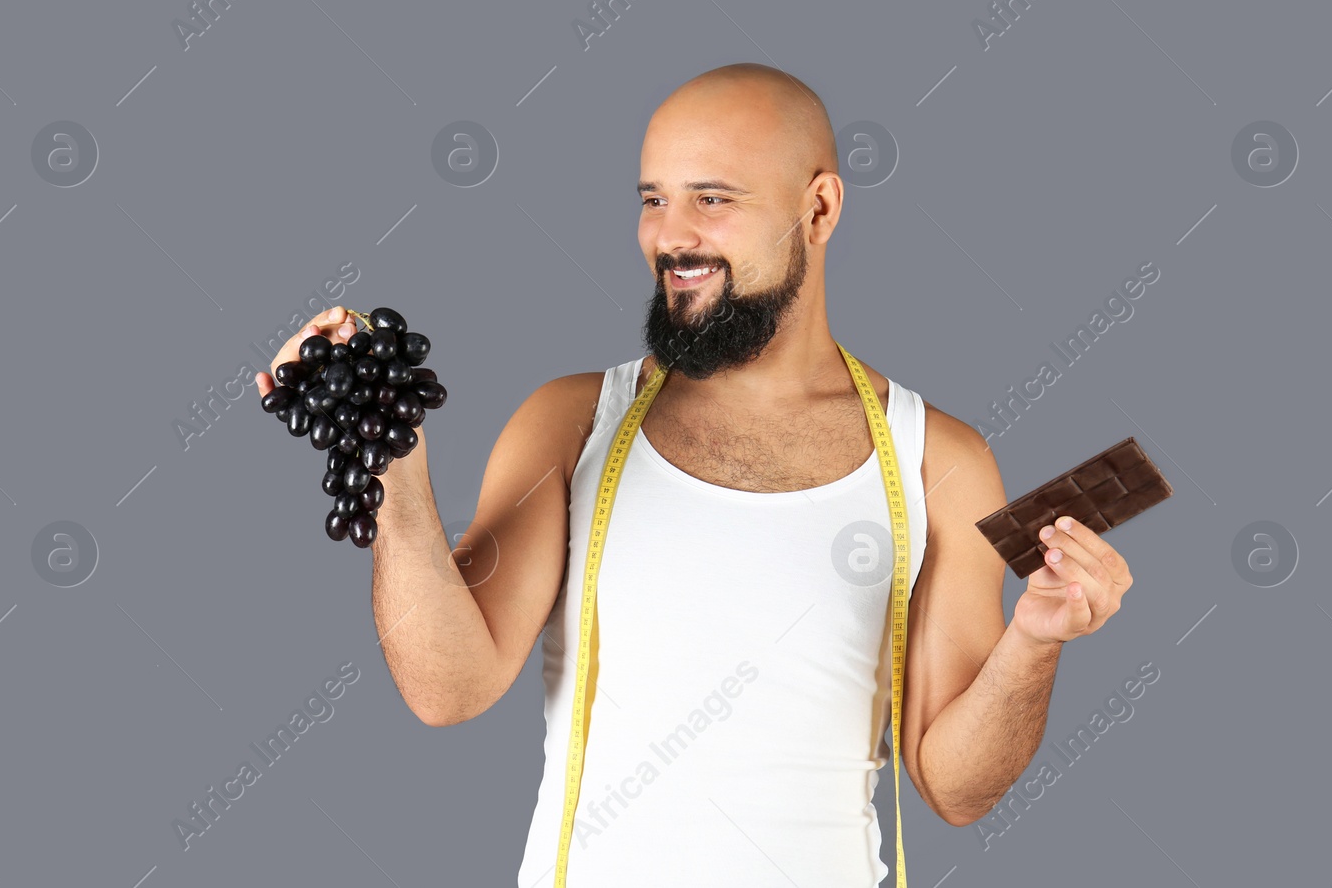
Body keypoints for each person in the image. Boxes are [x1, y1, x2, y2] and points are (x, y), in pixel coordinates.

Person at [257, 62, 1134, 885]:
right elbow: (448, 686)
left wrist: (1034, 642)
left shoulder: (939, 458)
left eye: (712, 199)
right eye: (653, 199)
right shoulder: (570, 424)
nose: (670, 236)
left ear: (819, 207)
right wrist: (392, 454)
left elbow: (955, 787)